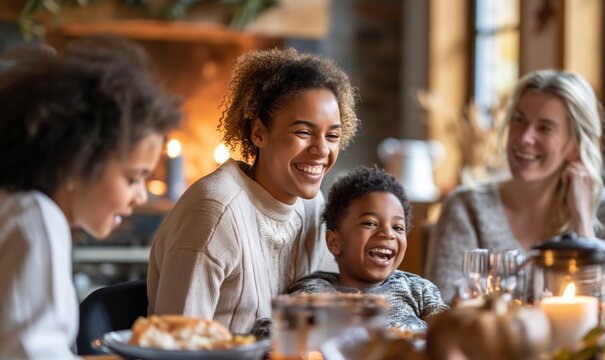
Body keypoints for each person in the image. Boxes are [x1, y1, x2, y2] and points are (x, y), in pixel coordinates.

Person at [147, 48, 360, 334]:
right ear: (259, 133)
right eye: (303, 132)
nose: (322, 150)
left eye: (332, 135)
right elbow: (176, 345)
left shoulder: (313, 207)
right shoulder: (215, 212)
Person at [0, 37, 180, 358]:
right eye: (133, 177)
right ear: (75, 162)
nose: (140, 196)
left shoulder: (18, 206)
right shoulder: (37, 219)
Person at [425, 70, 605, 303]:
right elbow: (441, 309)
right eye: (519, 120)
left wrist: (582, 221)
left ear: (575, 145)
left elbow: (598, 310)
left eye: (544, 128)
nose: (524, 137)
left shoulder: (604, 210)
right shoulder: (465, 208)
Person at [287, 166, 449, 330]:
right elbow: (277, 334)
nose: (388, 233)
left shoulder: (418, 289)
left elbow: (451, 331)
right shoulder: (311, 292)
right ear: (334, 242)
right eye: (370, 223)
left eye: (398, 228)